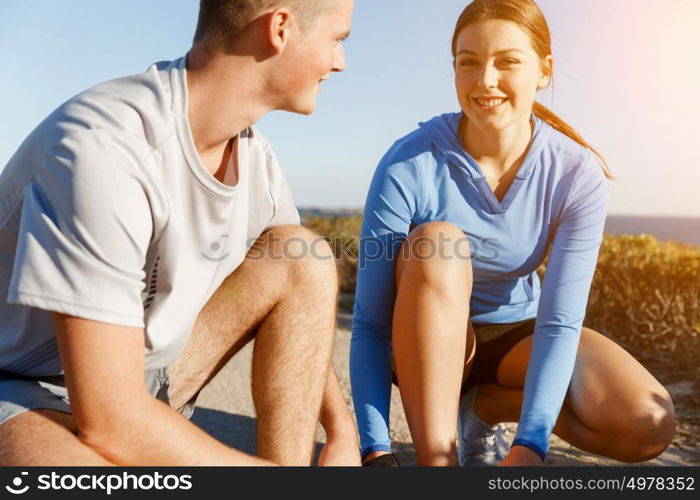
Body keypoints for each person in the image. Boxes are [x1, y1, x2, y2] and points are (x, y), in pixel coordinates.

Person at [0, 0, 360, 466]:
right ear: (280, 28)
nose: (340, 62)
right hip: (23, 385)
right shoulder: (104, 148)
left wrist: (341, 432)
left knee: (303, 257)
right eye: (337, 39)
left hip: (142, 377)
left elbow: (303, 295)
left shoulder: (255, 157)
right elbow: (111, 419)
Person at [350, 0, 676, 466]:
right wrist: (376, 450)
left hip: (516, 336)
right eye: (469, 63)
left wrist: (531, 443)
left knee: (647, 425)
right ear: (455, 69)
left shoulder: (574, 171)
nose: (485, 80)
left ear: (544, 70)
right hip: (423, 344)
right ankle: (437, 463)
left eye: (507, 61)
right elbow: (370, 325)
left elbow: (559, 322)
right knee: (438, 243)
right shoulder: (409, 162)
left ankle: (484, 407)